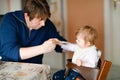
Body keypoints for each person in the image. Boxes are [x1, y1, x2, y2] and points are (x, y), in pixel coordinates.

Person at [0, 0, 66, 64]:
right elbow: (9, 52)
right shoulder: (10, 20)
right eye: (40, 19)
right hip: (10, 66)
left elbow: (59, 44)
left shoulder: (47, 24)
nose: (43, 24)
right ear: (27, 16)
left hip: (35, 68)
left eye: (45, 19)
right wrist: (42, 49)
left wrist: (74, 47)